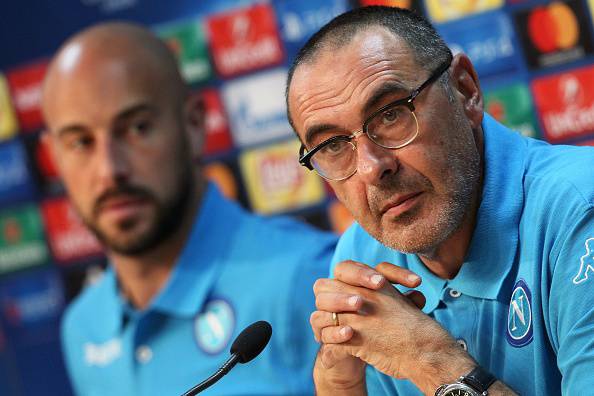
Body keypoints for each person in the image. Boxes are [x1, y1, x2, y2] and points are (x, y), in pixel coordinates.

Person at [286, 6, 594, 396]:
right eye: (331, 145)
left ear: (466, 90)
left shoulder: (582, 208)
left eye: (391, 113)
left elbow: (426, 359)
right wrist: (340, 385)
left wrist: (429, 358)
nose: (370, 167)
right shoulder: (363, 253)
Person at [41, 22, 337, 396]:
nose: (109, 170)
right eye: (80, 142)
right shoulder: (83, 327)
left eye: (137, 128)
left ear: (195, 124)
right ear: (55, 159)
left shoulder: (313, 280)